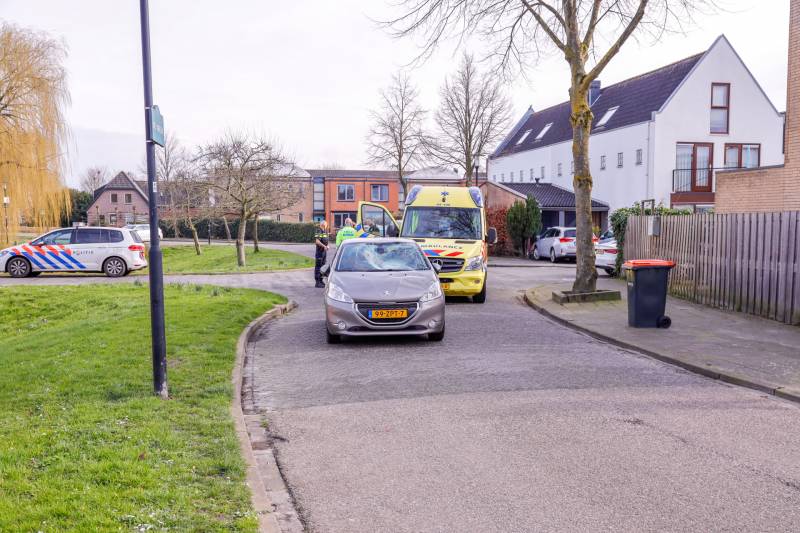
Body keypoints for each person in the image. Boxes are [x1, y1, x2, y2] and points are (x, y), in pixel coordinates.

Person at [313, 220, 329, 288]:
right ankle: (318, 282)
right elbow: (317, 241)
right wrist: (324, 246)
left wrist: (327, 245)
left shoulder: (324, 231)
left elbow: (325, 240)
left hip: (324, 252)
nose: (326, 226)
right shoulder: (318, 231)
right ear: (323, 225)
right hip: (319, 252)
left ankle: (321, 280)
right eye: (326, 225)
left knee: (323, 267)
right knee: (318, 267)